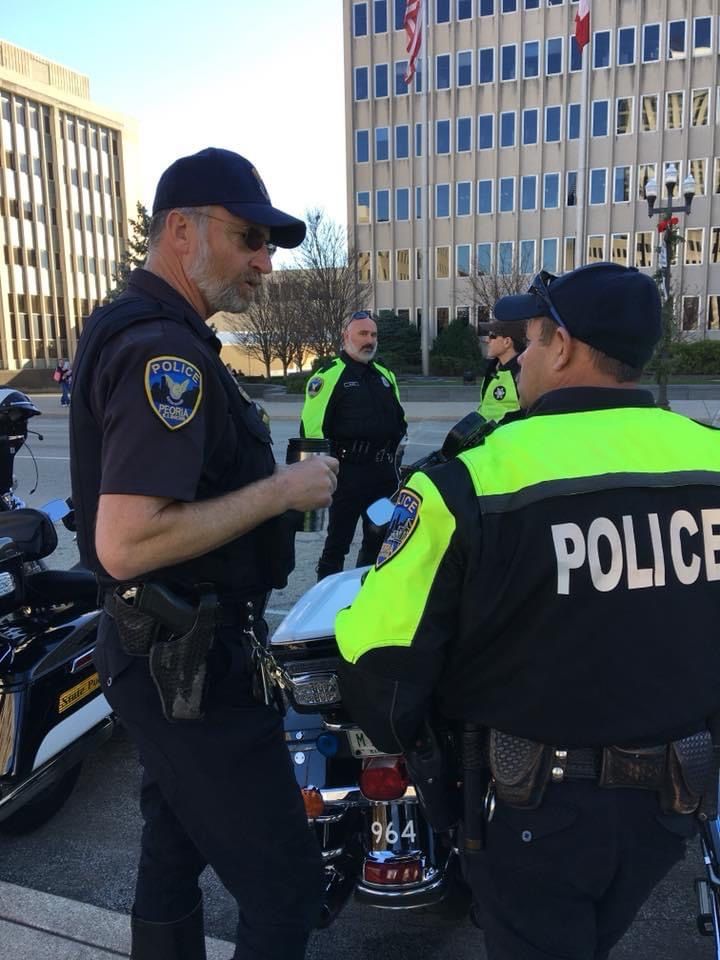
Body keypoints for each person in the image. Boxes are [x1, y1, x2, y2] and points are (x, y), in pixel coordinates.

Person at [335, 262, 720, 960]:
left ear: (564, 346)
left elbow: (378, 673)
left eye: (531, 342)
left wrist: (444, 778)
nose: (522, 358)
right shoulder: (712, 460)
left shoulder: (468, 481)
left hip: (528, 808)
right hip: (673, 804)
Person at [69, 147, 339, 960]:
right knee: (286, 889)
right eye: (249, 238)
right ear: (180, 230)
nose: (264, 263)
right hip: (186, 662)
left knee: (173, 846)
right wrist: (281, 493)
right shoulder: (167, 356)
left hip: (167, 651)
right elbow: (127, 540)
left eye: (270, 246)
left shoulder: (156, 331)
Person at [300, 310, 407, 579]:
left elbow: (399, 422)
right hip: (348, 478)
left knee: (379, 538)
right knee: (338, 544)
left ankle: (364, 595)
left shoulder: (385, 376)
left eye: (373, 335)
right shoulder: (329, 376)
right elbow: (312, 431)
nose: (369, 340)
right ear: (346, 335)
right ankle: (323, 601)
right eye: (362, 333)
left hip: (383, 480)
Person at [476, 319, 524, 422]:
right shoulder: (493, 368)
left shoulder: (523, 373)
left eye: (492, 336)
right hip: (488, 436)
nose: (487, 340)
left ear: (507, 342)